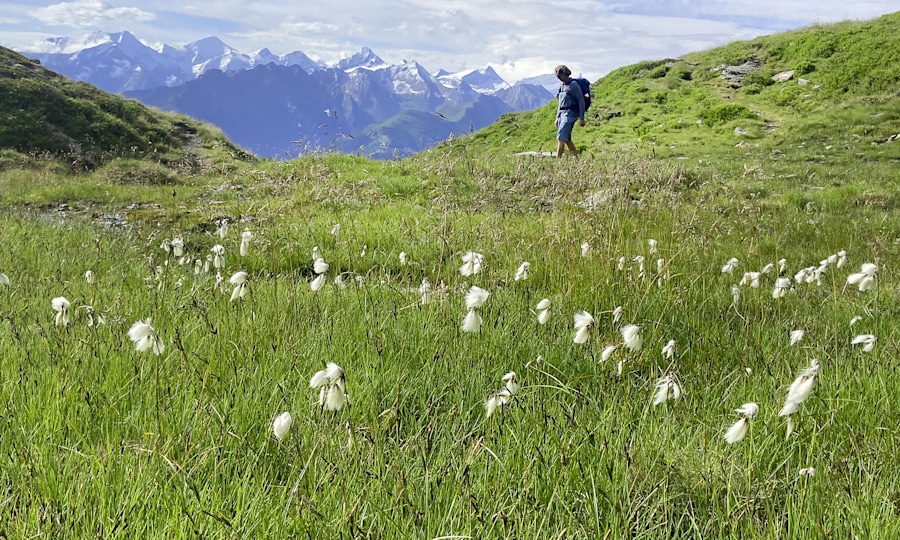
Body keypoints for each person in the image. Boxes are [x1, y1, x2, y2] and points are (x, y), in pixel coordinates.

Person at [554, 65, 586, 158]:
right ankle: (575, 158)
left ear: (565, 74)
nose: (558, 78)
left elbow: (581, 101)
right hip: (562, 114)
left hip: (570, 115)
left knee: (560, 138)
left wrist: (582, 118)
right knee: (567, 138)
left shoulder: (574, 85)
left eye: (559, 76)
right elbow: (560, 103)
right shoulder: (561, 86)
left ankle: (558, 161)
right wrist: (557, 117)